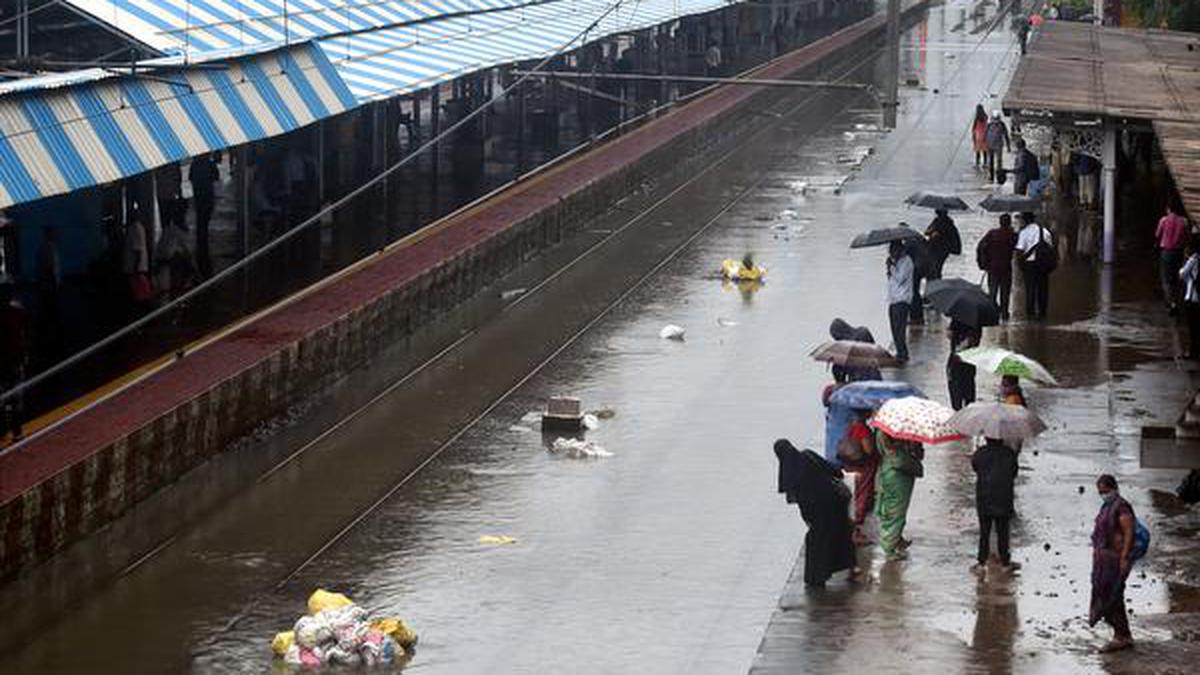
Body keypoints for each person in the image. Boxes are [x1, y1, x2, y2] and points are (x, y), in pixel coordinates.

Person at [774, 440, 859, 586]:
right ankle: (851, 567)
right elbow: (835, 472)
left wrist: (809, 520)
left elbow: (800, 501)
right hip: (836, 503)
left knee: (817, 542)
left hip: (817, 512)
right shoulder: (808, 455)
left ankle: (817, 576)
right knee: (841, 535)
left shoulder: (789, 473)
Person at [1089, 474, 1136, 653]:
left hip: (1115, 560)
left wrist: (1124, 558)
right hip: (1103, 561)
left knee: (1114, 596)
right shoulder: (1107, 506)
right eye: (1100, 492)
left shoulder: (1122, 507)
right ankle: (1121, 634)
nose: (1103, 494)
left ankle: (1122, 636)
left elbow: (1128, 533)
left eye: (1105, 491)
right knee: (1103, 594)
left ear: (1114, 488)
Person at [971, 437, 1020, 574]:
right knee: (1003, 532)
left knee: (984, 532)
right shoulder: (1009, 453)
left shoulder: (980, 453)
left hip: (984, 497)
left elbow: (975, 467)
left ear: (986, 438)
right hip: (1004, 498)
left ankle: (981, 563)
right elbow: (1014, 472)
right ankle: (1005, 563)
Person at [875, 430, 923, 561]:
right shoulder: (893, 434)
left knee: (896, 508)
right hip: (897, 475)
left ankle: (895, 540)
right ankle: (889, 547)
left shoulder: (885, 432)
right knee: (896, 511)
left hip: (892, 472)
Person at [842, 411, 878, 545]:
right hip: (863, 466)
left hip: (851, 465)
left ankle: (852, 528)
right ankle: (855, 530)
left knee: (854, 495)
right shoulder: (862, 429)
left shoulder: (850, 426)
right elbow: (868, 450)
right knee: (861, 495)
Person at [0, 279, 28, 442]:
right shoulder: (18, 311)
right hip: (15, 360)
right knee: (16, 397)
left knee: (4, 396)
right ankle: (17, 432)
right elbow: (25, 334)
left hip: (4, 360)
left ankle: (4, 429)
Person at [977, 214, 1018, 320]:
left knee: (993, 291)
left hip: (992, 267)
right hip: (1006, 268)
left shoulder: (992, 233)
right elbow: (1017, 247)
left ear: (1000, 222)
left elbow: (980, 247)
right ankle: (1004, 314)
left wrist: (983, 264)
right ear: (1009, 223)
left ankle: (992, 314)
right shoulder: (1012, 235)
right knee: (1005, 292)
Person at [1015, 214, 1055, 320]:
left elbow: (1019, 250)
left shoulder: (1023, 233)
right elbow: (1051, 248)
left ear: (1024, 220)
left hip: (1029, 265)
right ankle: (1042, 313)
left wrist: (1020, 265)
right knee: (1043, 289)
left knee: (1030, 289)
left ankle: (1030, 314)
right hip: (1043, 264)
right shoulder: (1045, 232)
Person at [189, 153, 220, 279]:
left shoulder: (194, 165)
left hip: (199, 196)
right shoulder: (210, 163)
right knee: (205, 219)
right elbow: (216, 177)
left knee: (200, 219)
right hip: (208, 196)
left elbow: (190, 178)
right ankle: (203, 241)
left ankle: (201, 240)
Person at [35, 226, 62, 366]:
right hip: (49, 286)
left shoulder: (44, 248)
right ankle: (51, 336)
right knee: (50, 310)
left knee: (48, 309)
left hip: (46, 285)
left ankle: (48, 333)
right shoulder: (49, 248)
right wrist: (54, 284)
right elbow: (50, 268)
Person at [1156, 200, 1189, 314]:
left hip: (1166, 252)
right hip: (1179, 252)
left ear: (1168, 209)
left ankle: (1171, 303)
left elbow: (1157, 235)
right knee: (1176, 277)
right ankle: (1177, 301)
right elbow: (1186, 237)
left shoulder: (1164, 220)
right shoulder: (1184, 221)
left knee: (1166, 279)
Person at [886, 240, 914, 363]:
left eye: (893, 250)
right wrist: (890, 267)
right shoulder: (896, 262)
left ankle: (903, 354)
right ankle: (899, 352)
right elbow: (892, 281)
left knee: (899, 328)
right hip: (893, 299)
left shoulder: (907, 261)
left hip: (902, 299)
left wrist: (892, 267)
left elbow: (900, 279)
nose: (891, 253)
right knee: (894, 328)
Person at [947, 319, 981, 410]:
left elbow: (950, 335)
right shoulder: (976, 320)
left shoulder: (958, 318)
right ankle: (965, 410)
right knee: (968, 386)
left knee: (957, 386)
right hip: (969, 359)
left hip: (960, 359)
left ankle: (959, 410)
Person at [122, 214, 152, 314]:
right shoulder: (139, 228)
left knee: (139, 296)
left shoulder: (135, 229)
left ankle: (143, 315)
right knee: (141, 295)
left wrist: (135, 268)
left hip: (136, 270)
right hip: (138, 269)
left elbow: (137, 250)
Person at [925, 208, 962, 280]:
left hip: (938, 249)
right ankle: (936, 284)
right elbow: (927, 231)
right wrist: (933, 232)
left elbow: (927, 231)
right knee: (936, 269)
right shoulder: (946, 223)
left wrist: (935, 234)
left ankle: (934, 285)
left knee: (934, 269)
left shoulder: (943, 223)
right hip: (941, 250)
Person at [1181, 238, 1200, 358]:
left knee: (1193, 327)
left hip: (1193, 297)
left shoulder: (1194, 259)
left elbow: (1182, 274)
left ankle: (1193, 351)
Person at [985, 111, 1011, 184]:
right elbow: (985, 135)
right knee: (991, 162)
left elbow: (1006, 135)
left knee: (998, 162)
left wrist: (1008, 146)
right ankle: (991, 176)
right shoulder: (989, 125)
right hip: (990, 145)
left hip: (998, 146)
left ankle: (998, 177)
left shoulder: (1001, 125)